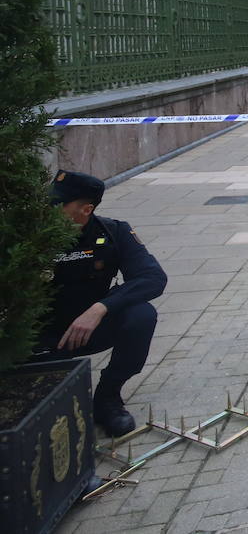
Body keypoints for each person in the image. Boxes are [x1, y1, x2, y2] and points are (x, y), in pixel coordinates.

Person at [33, 171, 167, 437]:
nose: (48, 209)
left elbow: (153, 278)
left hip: (87, 329)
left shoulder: (113, 232)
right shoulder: (29, 236)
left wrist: (100, 308)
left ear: (86, 210)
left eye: (58, 205)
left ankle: (107, 399)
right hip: (37, 335)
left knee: (141, 315)